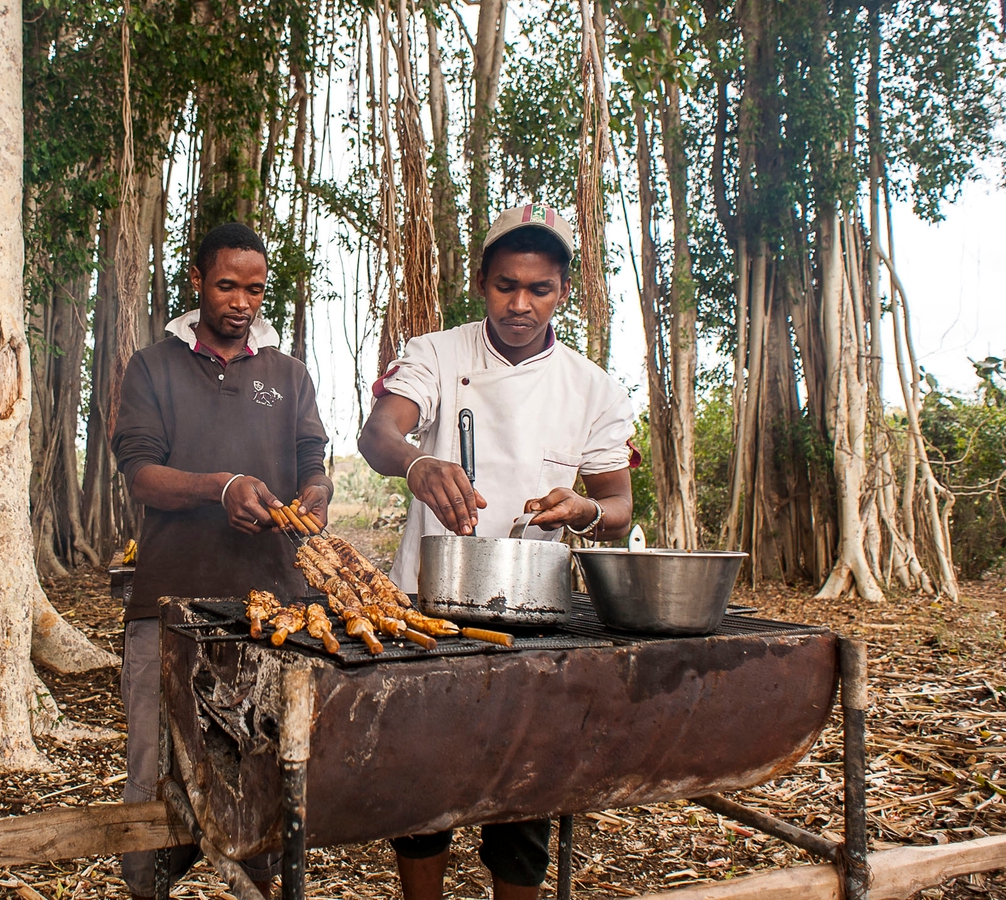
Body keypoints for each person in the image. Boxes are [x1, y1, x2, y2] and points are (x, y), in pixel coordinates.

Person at [357, 203, 636, 900]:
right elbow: (378, 434)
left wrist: (585, 510)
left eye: (539, 289)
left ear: (564, 292)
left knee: (527, 784)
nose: (520, 304)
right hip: (426, 599)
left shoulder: (592, 388)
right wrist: (417, 463)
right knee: (422, 779)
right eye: (506, 285)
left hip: (532, 609)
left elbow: (618, 508)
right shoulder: (436, 354)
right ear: (482, 283)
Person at [111, 221, 333, 900]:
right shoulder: (152, 367)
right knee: (156, 775)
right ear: (198, 282)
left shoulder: (288, 374)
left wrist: (317, 494)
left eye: (255, 289)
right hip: (170, 607)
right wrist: (221, 486)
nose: (241, 302)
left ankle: (259, 887)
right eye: (227, 286)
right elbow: (141, 473)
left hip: (274, 611)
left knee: (265, 771)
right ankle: (149, 885)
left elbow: (312, 460)